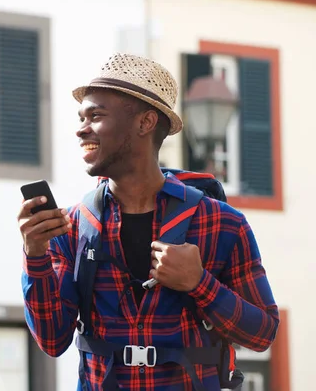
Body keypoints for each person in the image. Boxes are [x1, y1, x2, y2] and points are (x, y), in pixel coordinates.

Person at [18, 53, 279, 390]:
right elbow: (52, 341)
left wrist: (199, 283)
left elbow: (262, 335)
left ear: (145, 122)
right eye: (81, 117)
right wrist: (34, 254)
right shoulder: (73, 226)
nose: (81, 129)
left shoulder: (221, 223)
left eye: (95, 115)